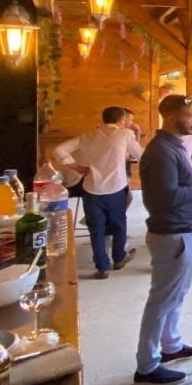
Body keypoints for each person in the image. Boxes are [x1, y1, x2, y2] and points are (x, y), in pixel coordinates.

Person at [134, 94, 192, 385]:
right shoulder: (161, 152)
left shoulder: (172, 147)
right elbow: (166, 198)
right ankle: (146, 365)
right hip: (172, 234)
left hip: (182, 231)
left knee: (176, 295)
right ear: (170, 116)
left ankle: (171, 345)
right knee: (162, 299)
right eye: (190, 114)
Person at [54, 106, 143, 278]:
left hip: (91, 188)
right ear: (121, 119)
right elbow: (140, 155)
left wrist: (76, 167)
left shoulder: (87, 136)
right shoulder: (124, 134)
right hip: (115, 188)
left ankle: (102, 267)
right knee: (119, 224)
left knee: (96, 229)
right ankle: (118, 258)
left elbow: (59, 150)